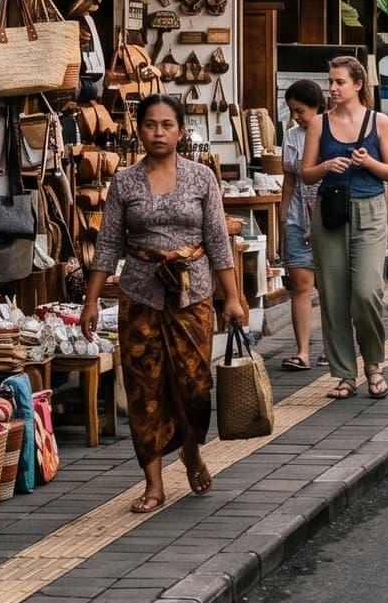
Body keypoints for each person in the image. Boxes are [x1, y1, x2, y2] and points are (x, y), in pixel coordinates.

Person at [85, 93, 246, 514]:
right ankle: (153, 483)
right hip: (139, 293)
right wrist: (89, 301)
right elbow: (107, 245)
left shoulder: (201, 178)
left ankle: (191, 450)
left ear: (180, 131)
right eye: (151, 124)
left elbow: (217, 241)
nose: (158, 132)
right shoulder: (124, 182)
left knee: (194, 385)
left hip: (192, 294)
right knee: (144, 389)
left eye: (167, 125)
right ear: (139, 129)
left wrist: (233, 297)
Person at [300, 56, 388, 400]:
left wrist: (368, 162)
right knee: (333, 294)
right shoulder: (318, 124)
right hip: (330, 210)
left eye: (339, 82)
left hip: (370, 209)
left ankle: (374, 363)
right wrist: (326, 165)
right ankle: (344, 373)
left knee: (367, 291)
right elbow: (305, 173)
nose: (333, 88)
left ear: (358, 84)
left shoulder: (379, 121)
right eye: (330, 81)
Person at [278, 79, 324, 372]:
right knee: (300, 285)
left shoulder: (333, 132)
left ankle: (334, 347)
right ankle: (303, 351)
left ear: (317, 106)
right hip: (297, 217)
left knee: (330, 287)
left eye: (300, 110)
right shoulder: (292, 136)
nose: (296, 116)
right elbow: (289, 179)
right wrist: (283, 218)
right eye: (293, 111)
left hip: (327, 219)